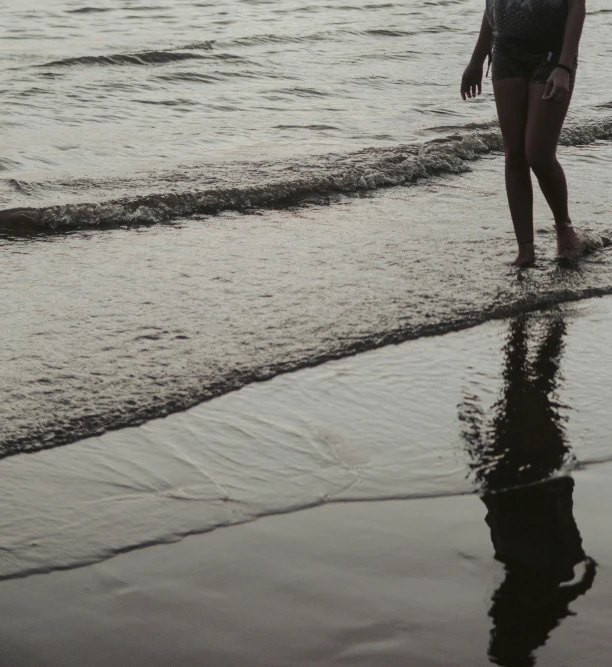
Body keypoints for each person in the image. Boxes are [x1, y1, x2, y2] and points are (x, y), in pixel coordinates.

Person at [461, 0, 587, 267]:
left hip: (551, 52)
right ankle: (525, 250)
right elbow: (491, 8)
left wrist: (564, 66)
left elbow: (577, 6)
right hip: (506, 51)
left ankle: (564, 227)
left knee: (538, 153)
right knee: (514, 154)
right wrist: (476, 59)